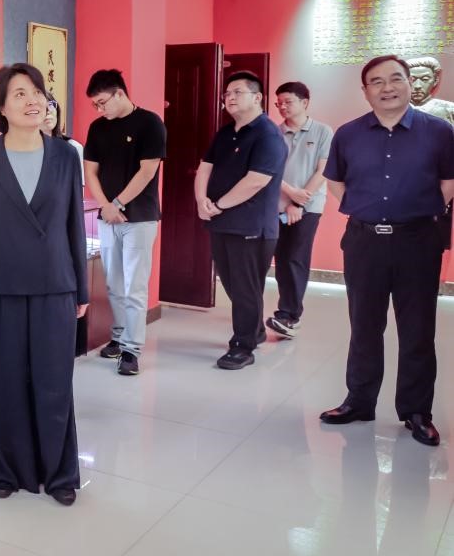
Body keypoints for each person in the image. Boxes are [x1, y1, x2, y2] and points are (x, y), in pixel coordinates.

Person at [0, 63, 89, 505]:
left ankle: (60, 474)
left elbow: (74, 225)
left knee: (55, 383)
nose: (33, 101)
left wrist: (82, 288)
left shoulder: (65, 156)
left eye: (37, 92)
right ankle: (3, 470)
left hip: (56, 284)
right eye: (19, 94)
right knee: (2, 383)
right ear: (0, 107)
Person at [319, 55, 454, 447]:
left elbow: (448, 183)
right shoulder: (348, 134)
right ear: (365, 91)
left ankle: (416, 411)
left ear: (410, 84)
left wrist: (415, 211)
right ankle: (359, 401)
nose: (387, 87)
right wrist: (365, 210)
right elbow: (336, 182)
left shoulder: (440, 132)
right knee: (364, 326)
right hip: (364, 242)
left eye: (396, 79)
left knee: (418, 330)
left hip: (418, 241)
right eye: (376, 82)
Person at [194, 70, 287, 371]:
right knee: (232, 284)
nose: (229, 98)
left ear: (257, 97)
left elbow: (256, 180)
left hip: (251, 225)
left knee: (246, 288)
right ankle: (254, 330)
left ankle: (243, 346)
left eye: (237, 92)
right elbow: (204, 167)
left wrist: (218, 205)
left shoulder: (268, 135)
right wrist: (201, 201)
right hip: (221, 221)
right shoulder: (225, 132)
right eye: (227, 94)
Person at [82, 69, 166, 376]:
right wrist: (106, 206)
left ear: (120, 93)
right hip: (108, 218)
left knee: (135, 285)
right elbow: (90, 171)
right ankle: (118, 336)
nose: (99, 109)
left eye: (102, 102)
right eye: (95, 105)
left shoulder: (150, 123)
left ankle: (132, 349)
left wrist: (117, 204)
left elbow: (147, 171)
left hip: (139, 218)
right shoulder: (97, 128)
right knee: (113, 283)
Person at [267, 81, 333, 339]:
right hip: (275, 204)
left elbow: (323, 171)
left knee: (295, 257)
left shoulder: (322, 131)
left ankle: (289, 316)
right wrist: (289, 196)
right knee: (280, 258)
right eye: (279, 103)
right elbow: (269, 171)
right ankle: (284, 312)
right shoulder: (274, 133)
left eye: (288, 102)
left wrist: (298, 202)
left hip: (309, 206)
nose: (282, 107)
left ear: (304, 102)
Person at [42, 95, 84, 184]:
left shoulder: (73, 147)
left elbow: (77, 189)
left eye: (51, 104)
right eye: (41, 106)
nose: (48, 110)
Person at [407, 56, 454, 125]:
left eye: (425, 79)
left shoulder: (449, 110)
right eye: (412, 80)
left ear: (435, 81)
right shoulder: (394, 110)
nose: (417, 86)